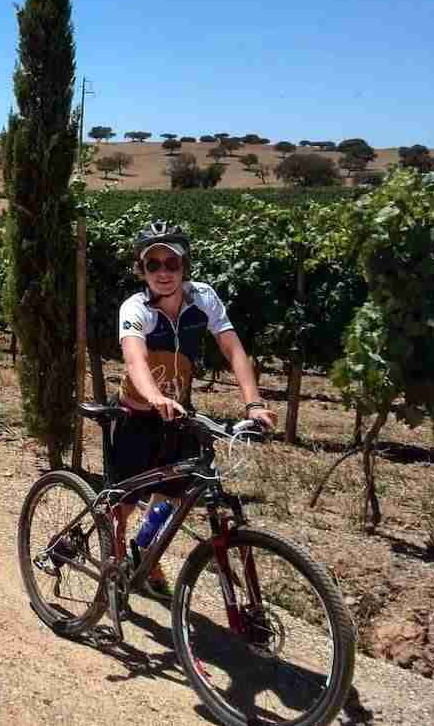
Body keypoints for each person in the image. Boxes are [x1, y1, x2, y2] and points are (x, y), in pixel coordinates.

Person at [114, 221, 277, 597]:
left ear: (185, 266)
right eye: (153, 264)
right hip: (136, 414)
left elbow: (233, 349)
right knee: (122, 504)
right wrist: (154, 397)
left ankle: (144, 553)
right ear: (142, 270)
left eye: (171, 262)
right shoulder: (135, 308)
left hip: (179, 414)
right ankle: (117, 559)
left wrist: (253, 403)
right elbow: (135, 360)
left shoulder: (203, 298)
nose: (163, 272)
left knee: (173, 494)